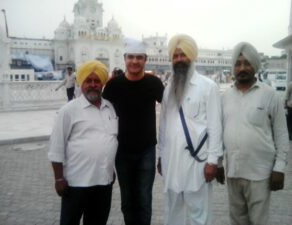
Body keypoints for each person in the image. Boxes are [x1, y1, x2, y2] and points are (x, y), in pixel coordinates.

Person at [217, 42, 289, 225]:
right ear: (233, 67)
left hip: (261, 174)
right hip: (233, 172)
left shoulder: (270, 95)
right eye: (238, 63)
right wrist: (218, 162)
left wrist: (279, 168)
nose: (242, 68)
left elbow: (281, 135)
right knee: (237, 221)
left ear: (255, 66)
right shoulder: (225, 97)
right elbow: (218, 133)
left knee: (259, 221)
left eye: (247, 63)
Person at [157, 34, 223, 225]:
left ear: (192, 56)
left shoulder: (208, 87)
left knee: (199, 215)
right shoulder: (168, 88)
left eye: (183, 55)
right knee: (172, 214)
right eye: (175, 56)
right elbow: (163, 126)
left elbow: (215, 127)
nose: (179, 59)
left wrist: (213, 162)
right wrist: (161, 156)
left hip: (198, 163)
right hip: (172, 162)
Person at [48, 60, 118, 225]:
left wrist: (110, 168)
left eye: (97, 81)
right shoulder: (69, 110)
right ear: (81, 82)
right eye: (88, 81)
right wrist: (58, 179)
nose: (93, 85)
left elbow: (110, 140)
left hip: (103, 182)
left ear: (102, 83)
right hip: (75, 183)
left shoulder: (110, 107)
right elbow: (56, 147)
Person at [102, 39, 164, 225]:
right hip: (122, 151)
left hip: (147, 150)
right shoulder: (114, 85)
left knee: (144, 198)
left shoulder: (154, 83)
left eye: (139, 57)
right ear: (125, 59)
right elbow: (102, 115)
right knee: (127, 200)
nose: (134, 61)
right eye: (131, 57)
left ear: (145, 59)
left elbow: (171, 111)